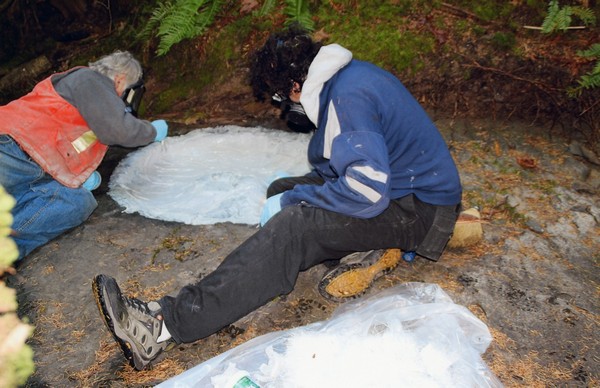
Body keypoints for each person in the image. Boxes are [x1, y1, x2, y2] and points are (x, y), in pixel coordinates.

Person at [92, 26, 462, 371]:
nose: (284, 106)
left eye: (280, 97)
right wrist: (292, 194)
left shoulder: (347, 98)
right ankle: (354, 248)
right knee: (282, 190)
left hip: (417, 210)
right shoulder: (347, 79)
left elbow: (366, 189)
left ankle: (163, 327)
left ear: (295, 85)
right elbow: (345, 164)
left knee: (294, 226)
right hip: (401, 191)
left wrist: (295, 206)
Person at [0, 50, 169, 262]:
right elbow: (118, 130)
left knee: (79, 202)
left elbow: (71, 144)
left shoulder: (91, 109)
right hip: (9, 147)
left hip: (36, 170)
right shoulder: (89, 79)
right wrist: (151, 132)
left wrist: (76, 178)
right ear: (120, 79)